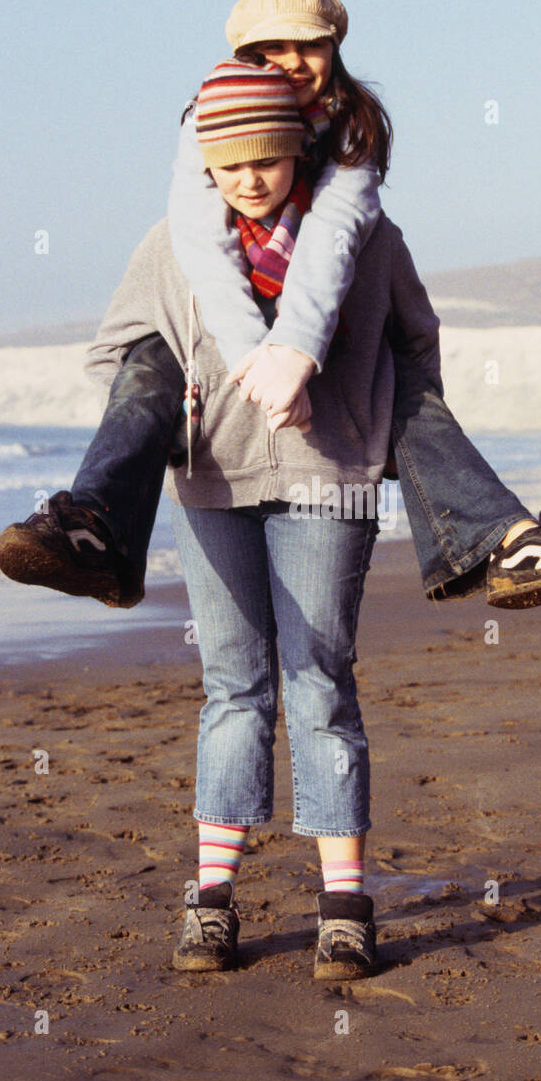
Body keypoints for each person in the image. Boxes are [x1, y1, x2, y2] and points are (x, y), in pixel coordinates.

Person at [0, 0, 541, 614]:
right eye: (269, 50)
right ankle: (91, 525)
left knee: (397, 382)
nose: (292, 62)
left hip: (328, 440)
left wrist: (314, 373)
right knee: (152, 360)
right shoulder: (200, 138)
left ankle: (509, 542)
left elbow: (335, 251)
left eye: (309, 46)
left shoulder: (351, 140)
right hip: (225, 432)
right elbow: (199, 254)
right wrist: (226, 385)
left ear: (335, 50)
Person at [85, 58, 449, 976]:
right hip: (211, 487)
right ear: (205, 159)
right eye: (229, 160)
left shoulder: (363, 235)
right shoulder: (173, 246)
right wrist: (179, 430)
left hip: (330, 482)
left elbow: (417, 340)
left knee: (320, 681)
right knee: (233, 688)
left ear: (299, 149)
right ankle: (211, 902)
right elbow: (119, 362)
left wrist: (382, 435)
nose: (249, 176)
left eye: (268, 157)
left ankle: (343, 908)